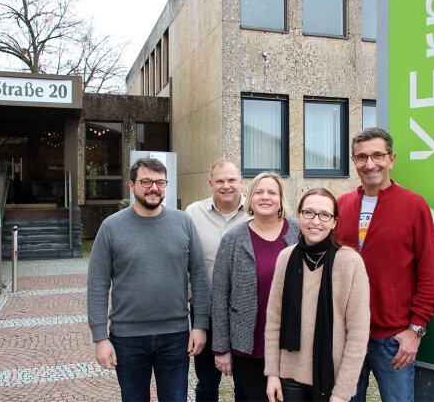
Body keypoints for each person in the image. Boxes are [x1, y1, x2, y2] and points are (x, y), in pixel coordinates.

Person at [87, 157, 209, 402]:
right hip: (127, 338)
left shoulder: (183, 222)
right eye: (146, 182)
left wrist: (200, 326)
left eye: (160, 182)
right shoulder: (111, 227)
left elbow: (199, 275)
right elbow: (98, 284)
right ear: (131, 186)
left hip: (175, 337)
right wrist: (100, 337)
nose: (154, 188)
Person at [334, 127, 434, 402]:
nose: (370, 164)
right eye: (361, 157)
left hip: (393, 339)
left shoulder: (414, 205)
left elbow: (430, 272)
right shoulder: (341, 205)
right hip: (347, 335)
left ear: (391, 159)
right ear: (353, 161)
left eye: (377, 156)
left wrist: (415, 331)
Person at [264, 188, 370, 402]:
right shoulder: (286, 257)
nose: (316, 221)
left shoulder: (350, 262)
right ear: (299, 216)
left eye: (324, 215)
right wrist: (272, 373)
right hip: (289, 374)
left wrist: (342, 392)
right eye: (309, 213)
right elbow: (274, 319)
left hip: (331, 376)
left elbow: (358, 333)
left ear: (334, 222)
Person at [212, 171, 300, 402]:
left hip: (292, 344)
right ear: (250, 199)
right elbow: (220, 296)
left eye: (272, 192)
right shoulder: (233, 239)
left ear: (281, 199)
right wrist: (221, 348)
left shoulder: (298, 232)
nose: (265, 197)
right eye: (259, 192)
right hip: (248, 344)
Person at [185, 158, 250, 402]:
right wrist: (193, 298)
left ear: (241, 182)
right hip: (207, 314)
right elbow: (185, 261)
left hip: (245, 317)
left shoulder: (255, 213)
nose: (226, 186)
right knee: (206, 382)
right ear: (211, 184)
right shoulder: (193, 213)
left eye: (232, 179)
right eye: (220, 181)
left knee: (245, 384)